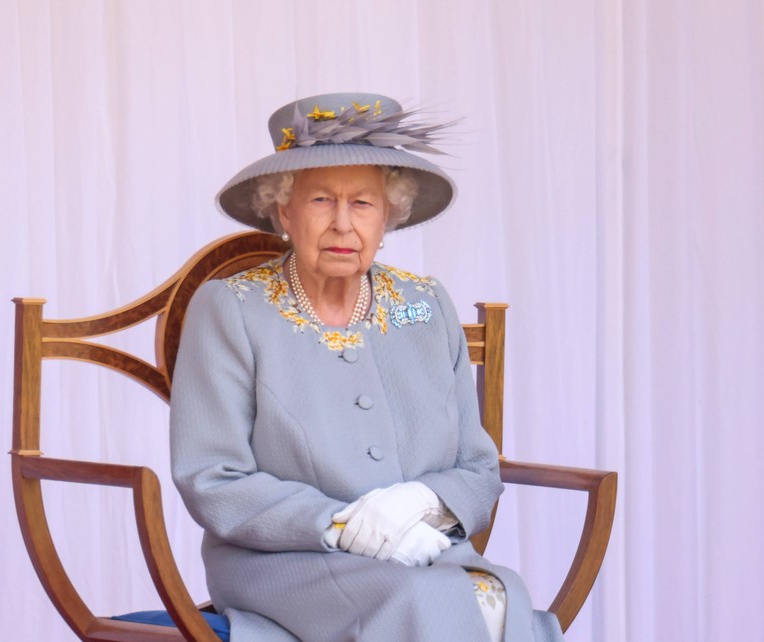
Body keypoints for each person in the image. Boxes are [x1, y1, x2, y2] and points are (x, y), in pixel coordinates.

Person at [170, 92, 564, 642]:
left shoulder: (425, 304)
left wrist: (422, 502)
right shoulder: (231, 308)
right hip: (287, 560)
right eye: (320, 201)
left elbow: (478, 467)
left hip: (424, 548)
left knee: (503, 596)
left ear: (389, 217)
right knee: (418, 603)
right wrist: (338, 527)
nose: (342, 224)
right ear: (283, 210)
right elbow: (212, 479)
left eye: (362, 204)